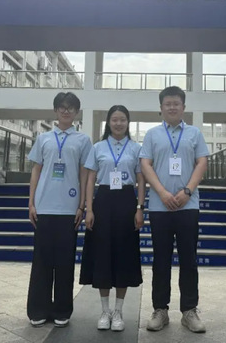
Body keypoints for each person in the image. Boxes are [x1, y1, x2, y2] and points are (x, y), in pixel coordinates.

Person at [140, 86, 209, 333]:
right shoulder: (152, 135)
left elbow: (202, 162)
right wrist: (162, 192)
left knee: (189, 259)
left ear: (183, 107)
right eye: (167, 103)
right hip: (160, 207)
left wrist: (187, 191)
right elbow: (145, 164)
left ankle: (189, 311)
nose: (172, 107)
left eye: (176, 103)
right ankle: (160, 310)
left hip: (188, 205)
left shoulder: (194, 134)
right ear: (161, 108)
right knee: (161, 259)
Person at [26, 92, 92, 328]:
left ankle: (62, 309)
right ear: (55, 110)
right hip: (44, 207)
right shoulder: (44, 138)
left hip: (69, 209)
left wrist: (82, 205)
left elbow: (84, 174)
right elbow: (36, 170)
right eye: (62, 107)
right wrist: (31, 202)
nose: (66, 111)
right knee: (41, 261)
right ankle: (38, 309)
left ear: (76, 112)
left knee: (65, 262)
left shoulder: (83, 140)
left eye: (70, 108)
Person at [79, 105, 145, 332]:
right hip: (103, 201)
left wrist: (139, 208)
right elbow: (90, 179)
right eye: (115, 119)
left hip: (126, 201)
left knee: (124, 254)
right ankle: (104, 310)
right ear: (109, 122)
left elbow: (141, 180)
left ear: (128, 122)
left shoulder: (136, 148)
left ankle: (118, 311)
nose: (118, 123)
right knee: (103, 254)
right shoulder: (98, 147)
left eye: (123, 119)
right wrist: (89, 209)